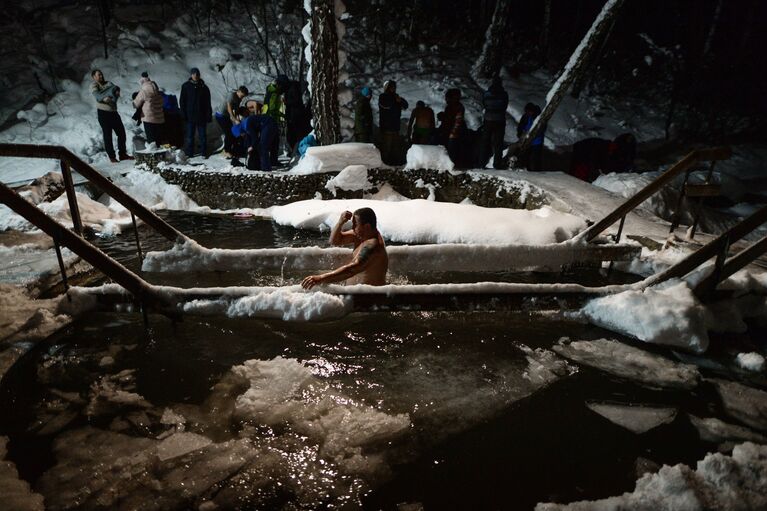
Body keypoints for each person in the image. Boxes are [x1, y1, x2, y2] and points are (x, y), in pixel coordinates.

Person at [301, 208, 388, 289]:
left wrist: (320, 278)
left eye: (355, 225)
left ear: (367, 226)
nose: (352, 228)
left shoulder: (373, 245)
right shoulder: (361, 235)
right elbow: (334, 241)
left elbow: (352, 269)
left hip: (369, 297)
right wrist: (340, 222)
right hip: (355, 292)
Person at [90, 69, 131, 163]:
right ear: (94, 77)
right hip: (103, 114)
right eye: (98, 75)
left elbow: (115, 92)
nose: (101, 76)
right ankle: (112, 157)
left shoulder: (109, 83)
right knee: (108, 135)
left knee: (121, 133)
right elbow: (98, 96)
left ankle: (123, 154)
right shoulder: (94, 85)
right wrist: (105, 96)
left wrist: (111, 94)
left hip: (113, 112)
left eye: (101, 74)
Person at [179, 67, 212, 157]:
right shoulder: (186, 86)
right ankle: (190, 153)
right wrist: (183, 113)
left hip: (201, 115)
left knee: (203, 136)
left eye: (197, 74)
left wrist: (208, 114)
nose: (195, 76)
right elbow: (182, 101)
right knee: (190, 136)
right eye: (194, 74)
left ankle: (204, 153)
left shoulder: (204, 87)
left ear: (199, 75)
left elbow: (208, 102)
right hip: (190, 115)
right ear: (191, 75)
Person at [479, 76, 508, 169]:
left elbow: (484, 104)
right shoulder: (504, 94)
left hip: (488, 120)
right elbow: (505, 106)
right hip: (499, 120)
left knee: (485, 142)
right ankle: (497, 164)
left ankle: (481, 163)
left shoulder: (487, 94)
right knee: (498, 143)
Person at [378, 80, 409, 164]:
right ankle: (384, 164)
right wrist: (395, 100)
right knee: (386, 147)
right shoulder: (383, 96)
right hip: (386, 128)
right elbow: (386, 105)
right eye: (392, 87)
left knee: (395, 147)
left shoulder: (396, 97)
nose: (393, 89)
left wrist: (400, 101)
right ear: (388, 88)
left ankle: (394, 163)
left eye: (394, 87)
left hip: (395, 127)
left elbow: (405, 105)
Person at [215, 85, 249, 157]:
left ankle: (233, 149)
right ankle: (226, 151)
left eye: (243, 97)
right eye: (242, 95)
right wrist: (233, 118)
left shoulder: (239, 99)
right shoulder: (231, 95)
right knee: (228, 133)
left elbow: (236, 109)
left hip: (227, 116)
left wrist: (237, 118)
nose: (242, 98)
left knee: (233, 132)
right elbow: (229, 107)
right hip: (221, 115)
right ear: (239, 91)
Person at [132, 72, 165, 145]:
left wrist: (134, 101)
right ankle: (160, 154)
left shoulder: (143, 91)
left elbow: (136, 104)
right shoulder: (157, 91)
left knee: (151, 140)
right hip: (159, 118)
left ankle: (153, 154)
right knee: (158, 139)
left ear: (143, 82)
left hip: (148, 118)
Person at [264, 74, 289, 165]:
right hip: (270, 119)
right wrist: (282, 115)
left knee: (272, 140)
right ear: (280, 85)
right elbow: (272, 109)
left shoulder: (270, 90)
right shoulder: (274, 94)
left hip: (268, 118)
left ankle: (272, 160)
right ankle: (272, 161)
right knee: (274, 141)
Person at [516, 102, 546, 171]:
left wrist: (533, 136)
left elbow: (541, 130)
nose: (527, 113)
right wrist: (520, 134)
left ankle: (537, 172)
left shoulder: (539, 117)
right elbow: (520, 126)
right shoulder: (526, 116)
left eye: (528, 111)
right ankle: (528, 170)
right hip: (527, 141)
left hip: (537, 142)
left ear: (532, 111)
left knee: (536, 159)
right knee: (526, 157)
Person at [439, 88, 465, 164]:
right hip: (448, 132)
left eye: (447, 98)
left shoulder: (458, 107)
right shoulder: (450, 107)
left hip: (453, 133)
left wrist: (453, 133)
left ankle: (451, 165)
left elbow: (458, 121)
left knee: (451, 150)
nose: (446, 100)